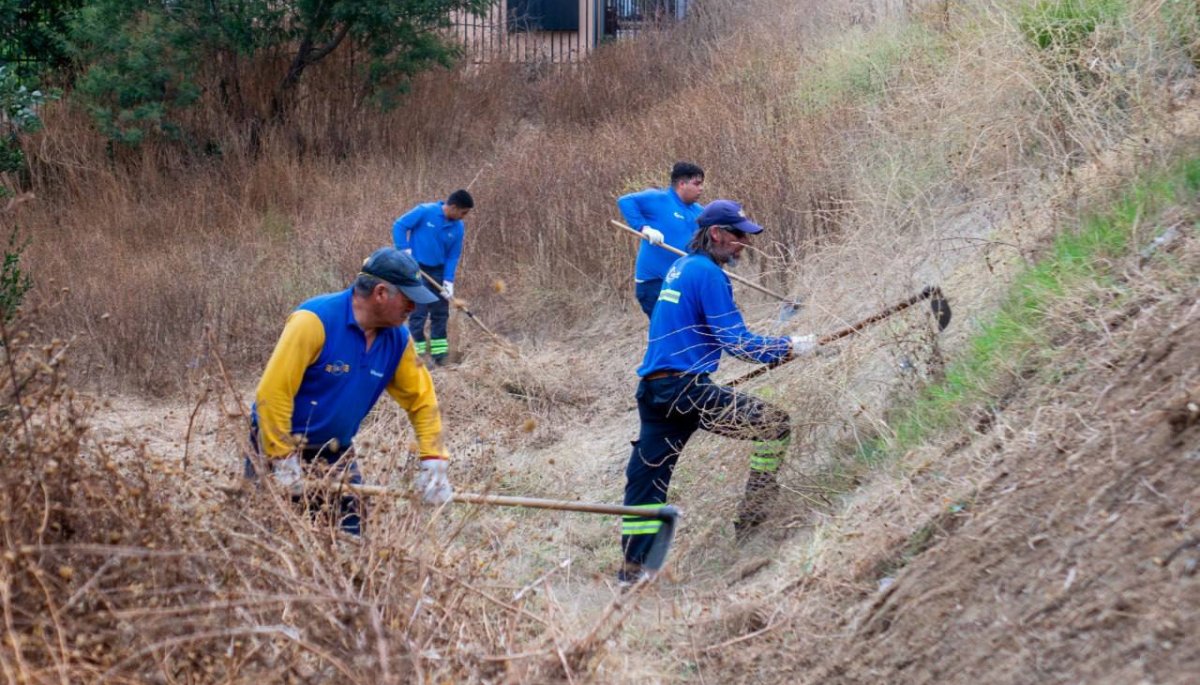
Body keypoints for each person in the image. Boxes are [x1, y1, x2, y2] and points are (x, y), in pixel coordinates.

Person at [618, 200, 822, 584]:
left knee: (647, 481)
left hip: (655, 390)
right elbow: (737, 342)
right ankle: (753, 520)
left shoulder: (681, 267)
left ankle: (632, 572)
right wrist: (790, 346)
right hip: (685, 390)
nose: (745, 243)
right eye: (739, 235)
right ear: (716, 233)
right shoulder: (709, 274)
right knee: (774, 425)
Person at [246, 247, 454, 535]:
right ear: (381, 293)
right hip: (274, 445)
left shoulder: (398, 340)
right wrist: (283, 459)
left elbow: (422, 400)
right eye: (408, 299)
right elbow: (273, 392)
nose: (414, 308)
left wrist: (434, 462)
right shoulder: (314, 321)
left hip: (334, 452)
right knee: (271, 537)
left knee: (350, 537)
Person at [392, 189, 474, 366]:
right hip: (416, 269)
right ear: (453, 207)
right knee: (418, 313)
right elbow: (399, 225)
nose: (464, 217)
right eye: (463, 212)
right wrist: (404, 250)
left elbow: (453, 255)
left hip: (439, 271)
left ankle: (439, 355)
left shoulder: (458, 227)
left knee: (440, 313)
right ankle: (417, 355)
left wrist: (448, 280)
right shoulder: (425, 211)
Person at [617, 162, 705, 319]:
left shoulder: (698, 211)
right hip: (654, 283)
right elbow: (625, 201)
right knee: (670, 328)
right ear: (682, 184)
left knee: (690, 326)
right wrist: (644, 228)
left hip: (680, 281)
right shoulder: (659, 199)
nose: (701, 189)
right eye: (697, 184)